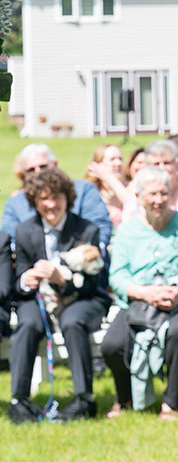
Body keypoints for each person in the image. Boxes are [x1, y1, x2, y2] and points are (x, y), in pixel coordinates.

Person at [101, 166, 178, 420]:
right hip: (138, 299)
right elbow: (117, 275)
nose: (158, 200)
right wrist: (144, 293)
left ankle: (172, 400)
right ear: (138, 197)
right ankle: (124, 398)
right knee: (111, 345)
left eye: (163, 193)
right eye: (152, 195)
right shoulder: (127, 230)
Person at [8, 168, 108, 423]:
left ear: (68, 198)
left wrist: (62, 281)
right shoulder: (24, 231)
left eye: (57, 198)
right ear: (34, 201)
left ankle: (84, 399)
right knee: (28, 323)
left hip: (82, 298)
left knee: (73, 321)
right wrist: (26, 280)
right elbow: (18, 280)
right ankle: (19, 401)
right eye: (43, 199)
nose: (51, 205)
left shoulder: (86, 230)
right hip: (38, 299)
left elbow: (94, 282)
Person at [1, 144, 112, 250]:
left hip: (80, 258)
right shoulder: (16, 202)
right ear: (24, 173)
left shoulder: (84, 190)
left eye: (43, 166)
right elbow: (8, 238)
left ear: (55, 164)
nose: (38, 172)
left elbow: (100, 227)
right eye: (31, 170)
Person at [85, 143, 134, 227]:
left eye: (120, 159)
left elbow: (132, 205)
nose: (118, 163)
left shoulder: (131, 186)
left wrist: (110, 178)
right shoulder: (91, 191)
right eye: (112, 159)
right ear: (98, 164)